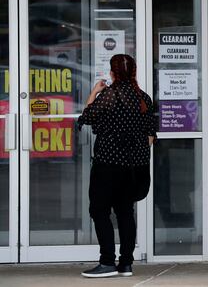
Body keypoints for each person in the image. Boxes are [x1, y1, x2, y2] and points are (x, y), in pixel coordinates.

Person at [77, 54, 156, 278]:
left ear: (113, 73)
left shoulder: (110, 95)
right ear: (134, 72)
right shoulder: (144, 98)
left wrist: (94, 92)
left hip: (109, 164)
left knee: (99, 210)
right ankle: (126, 264)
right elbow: (151, 135)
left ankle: (107, 262)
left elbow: (86, 118)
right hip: (135, 167)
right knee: (125, 212)